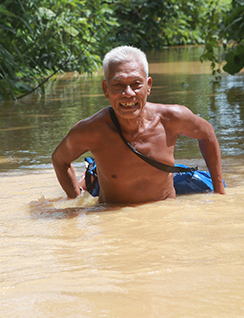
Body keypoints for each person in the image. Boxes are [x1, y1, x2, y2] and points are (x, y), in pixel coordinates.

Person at [52, 45, 225, 205]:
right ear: (106, 89)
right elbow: (59, 159)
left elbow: (207, 133)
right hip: (115, 217)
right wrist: (75, 202)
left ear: (148, 86)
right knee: (94, 180)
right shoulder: (91, 130)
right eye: (118, 85)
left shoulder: (172, 118)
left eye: (136, 84)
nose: (128, 93)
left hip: (165, 211)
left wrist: (220, 194)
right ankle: (90, 176)